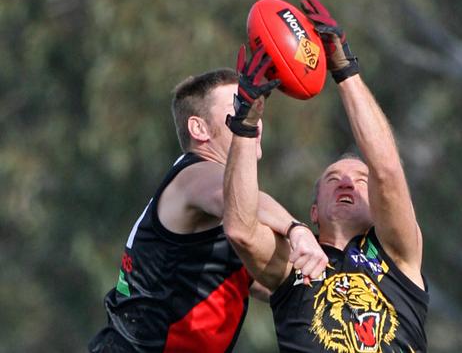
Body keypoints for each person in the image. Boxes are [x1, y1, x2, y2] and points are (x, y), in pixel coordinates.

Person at [223, 0, 428, 352]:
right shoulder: (293, 262)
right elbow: (240, 229)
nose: (347, 181)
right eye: (333, 179)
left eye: (360, 182)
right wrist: (243, 125)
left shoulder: (397, 254)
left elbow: (388, 170)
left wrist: (345, 70)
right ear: (313, 211)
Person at [88, 53, 328, 353]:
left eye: (253, 109)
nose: (253, 119)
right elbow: (235, 200)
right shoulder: (195, 175)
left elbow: (259, 279)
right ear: (198, 129)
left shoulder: (214, 212)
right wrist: (296, 229)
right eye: (238, 108)